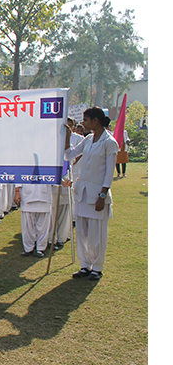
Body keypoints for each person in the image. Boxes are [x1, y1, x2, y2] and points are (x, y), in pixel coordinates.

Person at [64, 107, 118, 281]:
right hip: (82, 193)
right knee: (81, 231)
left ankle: (97, 267)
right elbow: (69, 155)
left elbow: (109, 172)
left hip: (97, 195)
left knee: (97, 234)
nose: (83, 123)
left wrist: (103, 195)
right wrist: (66, 137)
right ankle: (85, 265)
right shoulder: (87, 139)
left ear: (96, 121)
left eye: (85, 120)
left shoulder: (110, 142)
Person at [14, 184, 52, 257]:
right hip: (27, 196)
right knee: (27, 226)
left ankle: (41, 248)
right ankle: (28, 248)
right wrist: (17, 192)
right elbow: (19, 175)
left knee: (43, 226)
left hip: (44, 196)